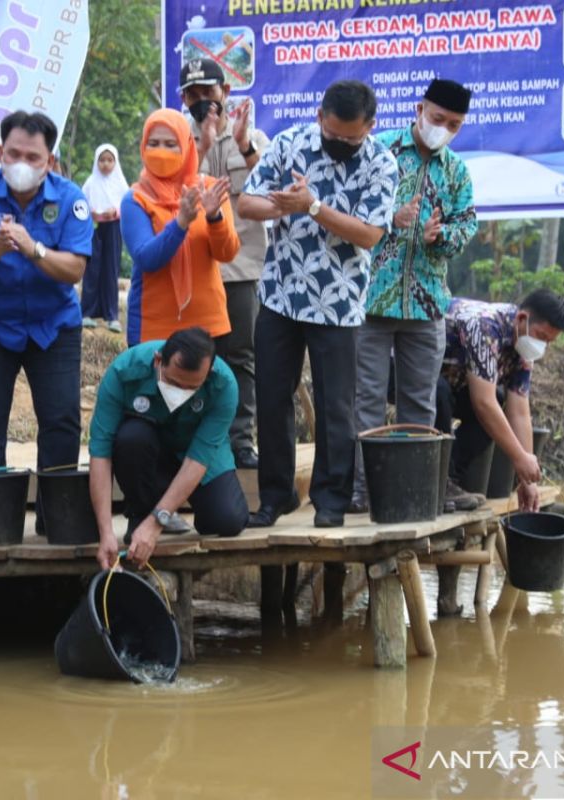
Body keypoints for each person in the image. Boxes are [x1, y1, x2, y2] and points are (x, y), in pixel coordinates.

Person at [237, 79, 397, 528]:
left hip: (339, 303)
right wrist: (281, 206)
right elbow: (247, 203)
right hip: (280, 296)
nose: (341, 143)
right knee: (271, 398)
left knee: (335, 407)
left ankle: (330, 500)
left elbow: (369, 234)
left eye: (352, 138)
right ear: (320, 117)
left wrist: (312, 207)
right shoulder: (290, 143)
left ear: (370, 127)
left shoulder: (381, 163)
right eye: (334, 135)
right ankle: (275, 496)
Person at [352, 78, 479, 513]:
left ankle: (412, 489)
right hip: (371, 300)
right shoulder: (378, 150)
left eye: (455, 125)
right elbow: (350, 208)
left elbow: (467, 226)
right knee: (366, 398)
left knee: (419, 403)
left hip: (426, 305)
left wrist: (441, 237)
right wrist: (390, 218)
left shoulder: (457, 172)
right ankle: (363, 488)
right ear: (419, 108)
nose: (444, 128)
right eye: (439, 118)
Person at [0, 111, 92, 483]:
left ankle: (55, 518)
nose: (21, 164)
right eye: (14, 154)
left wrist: (34, 249)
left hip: (53, 326)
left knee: (61, 421)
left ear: (51, 162)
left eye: (33, 158)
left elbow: (75, 269)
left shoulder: (71, 199)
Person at [90, 327, 248, 569]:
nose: (180, 393)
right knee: (131, 438)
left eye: (191, 388)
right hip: (147, 452)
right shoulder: (124, 371)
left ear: (208, 374)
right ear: (158, 361)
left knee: (227, 520)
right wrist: (106, 533)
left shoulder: (224, 385)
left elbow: (199, 458)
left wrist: (157, 523)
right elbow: (100, 454)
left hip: (196, 452)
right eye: (174, 382)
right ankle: (140, 514)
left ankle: (156, 517)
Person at [180, 57, 269, 471]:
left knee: (241, 357)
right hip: (193, 269)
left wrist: (242, 144)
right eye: (193, 95)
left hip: (241, 268)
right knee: (192, 355)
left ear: (225, 93)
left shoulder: (251, 139)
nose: (203, 103)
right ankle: (191, 443)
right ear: (183, 98)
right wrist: (200, 143)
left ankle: (241, 442)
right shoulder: (175, 140)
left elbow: (272, 187)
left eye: (209, 94)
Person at [435, 289, 564, 513]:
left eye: (549, 342)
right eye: (541, 336)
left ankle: (448, 479)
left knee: (497, 402)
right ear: (522, 319)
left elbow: (519, 411)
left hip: (452, 381)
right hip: (411, 375)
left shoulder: (523, 349)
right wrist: (519, 459)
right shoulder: (486, 326)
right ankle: (438, 481)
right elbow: (482, 403)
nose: (542, 346)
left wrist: (527, 480)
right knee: (440, 393)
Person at [121, 108, 238, 347]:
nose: (161, 151)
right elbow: (146, 258)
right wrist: (181, 222)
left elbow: (226, 253)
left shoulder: (209, 189)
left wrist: (214, 216)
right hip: (152, 329)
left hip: (208, 327)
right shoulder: (135, 198)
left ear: (186, 147)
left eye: (170, 144)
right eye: (153, 143)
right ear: (143, 148)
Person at [80, 144, 127, 333]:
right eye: (102, 160)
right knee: (92, 268)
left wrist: (114, 211)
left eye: (109, 160)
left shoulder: (120, 183)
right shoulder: (91, 183)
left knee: (111, 269)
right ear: (96, 161)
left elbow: (127, 205)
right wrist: (93, 213)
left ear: (115, 162)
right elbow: (81, 204)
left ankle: (111, 316)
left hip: (114, 228)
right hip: (93, 228)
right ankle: (87, 313)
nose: (106, 164)